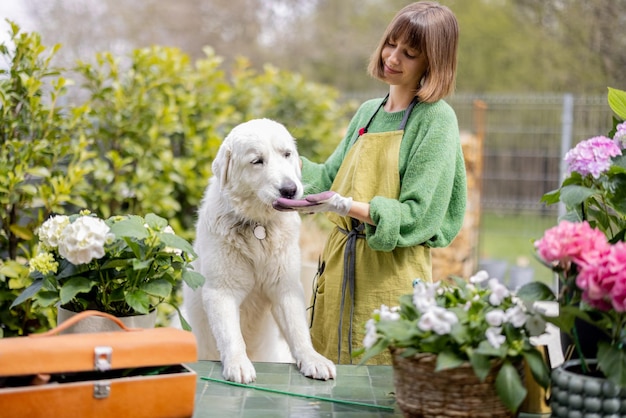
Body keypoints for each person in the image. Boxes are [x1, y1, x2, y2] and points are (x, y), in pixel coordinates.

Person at [273, 1, 466, 365]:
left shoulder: (436, 120)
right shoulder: (368, 112)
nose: (392, 57)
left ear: (433, 63)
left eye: (409, 53)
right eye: (391, 43)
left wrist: (347, 206)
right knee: (327, 375)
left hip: (388, 276)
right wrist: (279, 156)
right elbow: (329, 177)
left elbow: (417, 215)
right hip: (338, 270)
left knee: (380, 380)